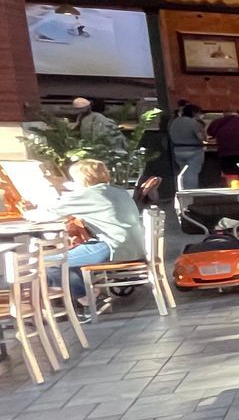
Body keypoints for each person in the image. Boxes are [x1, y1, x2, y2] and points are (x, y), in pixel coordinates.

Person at [34, 159, 144, 314]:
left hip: (112, 246)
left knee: (48, 262)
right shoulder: (117, 191)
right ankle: (85, 297)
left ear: (81, 178)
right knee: (69, 260)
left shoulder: (87, 195)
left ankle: (88, 299)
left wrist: (26, 213)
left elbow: (47, 213)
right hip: (132, 246)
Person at [205, 108, 239, 184]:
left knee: (231, 175)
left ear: (224, 114)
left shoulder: (217, 122)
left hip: (227, 153)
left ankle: (235, 193)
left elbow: (210, 133)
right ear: (236, 113)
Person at [167, 102, 207, 189]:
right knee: (192, 173)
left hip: (177, 150)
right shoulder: (193, 123)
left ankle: (181, 189)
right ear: (194, 113)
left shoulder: (174, 121)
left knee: (183, 172)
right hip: (193, 150)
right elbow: (201, 138)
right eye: (199, 113)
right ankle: (191, 192)